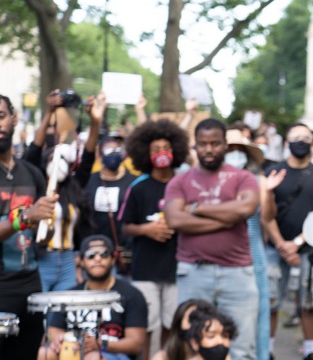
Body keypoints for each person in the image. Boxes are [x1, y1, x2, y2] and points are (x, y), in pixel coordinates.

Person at [163, 118, 261, 360]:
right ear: (194, 146)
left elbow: (245, 209)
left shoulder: (243, 178)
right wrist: (226, 219)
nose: (209, 149)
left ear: (225, 145)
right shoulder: (180, 181)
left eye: (215, 143)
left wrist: (196, 208)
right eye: (203, 143)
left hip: (237, 273)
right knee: (191, 347)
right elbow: (175, 220)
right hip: (193, 272)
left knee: (241, 348)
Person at [120, 118, 190, 359]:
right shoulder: (138, 187)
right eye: (156, 150)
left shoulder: (183, 184)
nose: (162, 153)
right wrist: (146, 230)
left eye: (167, 149)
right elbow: (126, 226)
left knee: (172, 325)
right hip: (145, 269)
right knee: (146, 324)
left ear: (176, 151)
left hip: (176, 267)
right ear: (145, 153)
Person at [26, 90, 105, 292]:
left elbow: (87, 157)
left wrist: (95, 122)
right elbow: (33, 152)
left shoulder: (74, 187)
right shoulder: (36, 184)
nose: (58, 164)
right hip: (43, 259)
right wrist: (49, 113)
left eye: (63, 160)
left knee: (62, 315)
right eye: (54, 158)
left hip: (69, 259)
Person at [262, 123, 313, 360]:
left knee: (309, 303)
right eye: (295, 136)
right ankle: (266, 350)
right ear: (287, 141)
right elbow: (266, 215)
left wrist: (297, 243)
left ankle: (311, 351)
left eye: (306, 137)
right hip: (274, 249)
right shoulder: (273, 172)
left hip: (308, 249)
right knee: (270, 302)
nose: (301, 141)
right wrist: (281, 244)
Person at [0, 93, 58, 359]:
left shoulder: (32, 173)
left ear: (13, 118)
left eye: (1, 117)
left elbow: (42, 238)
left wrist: (48, 225)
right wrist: (24, 218)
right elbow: (26, 219)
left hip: (30, 285)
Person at [39, 235, 147, 360]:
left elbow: (136, 344)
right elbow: (54, 330)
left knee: (93, 357)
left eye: (104, 254)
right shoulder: (70, 295)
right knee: (45, 353)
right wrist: (59, 338)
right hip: (73, 351)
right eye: (91, 255)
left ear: (113, 259)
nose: (97, 259)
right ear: (81, 261)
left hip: (112, 353)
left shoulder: (131, 295)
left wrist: (100, 345)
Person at [223, 128, 270, 360]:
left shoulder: (257, 180)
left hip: (254, 252)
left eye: (238, 150)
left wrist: (268, 191)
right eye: (229, 149)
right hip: (222, 253)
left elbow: (267, 218)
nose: (233, 154)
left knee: (256, 316)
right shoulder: (211, 182)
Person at [84, 132, 137, 276]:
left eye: (117, 150)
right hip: (95, 253)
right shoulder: (89, 180)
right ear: (100, 153)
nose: (113, 153)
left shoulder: (133, 181)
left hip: (124, 253)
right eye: (109, 149)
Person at [155, 301, 238, 360]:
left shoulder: (223, 355)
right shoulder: (162, 357)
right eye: (192, 319)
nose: (219, 341)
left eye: (224, 335)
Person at [152, 299, 218, 360]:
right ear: (178, 325)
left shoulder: (220, 356)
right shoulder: (162, 357)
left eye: (203, 320)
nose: (197, 325)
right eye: (192, 319)